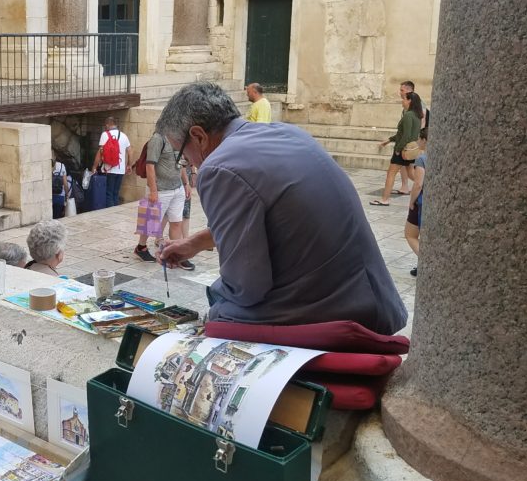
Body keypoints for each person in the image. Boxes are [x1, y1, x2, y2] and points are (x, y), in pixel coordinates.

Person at [156, 82, 407, 334]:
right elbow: (276, 220)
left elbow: (246, 287)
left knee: (218, 310)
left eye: (183, 156)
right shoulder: (289, 133)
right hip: (376, 298)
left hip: (338, 313)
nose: (188, 164)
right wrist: (195, 243)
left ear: (199, 136)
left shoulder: (219, 167)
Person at [134, 132, 195, 270]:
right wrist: (154, 191)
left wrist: (186, 183)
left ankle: (175, 254)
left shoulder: (179, 137)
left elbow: (180, 163)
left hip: (177, 188)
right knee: (150, 223)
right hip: (161, 190)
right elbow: (150, 166)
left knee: (176, 223)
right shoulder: (158, 139)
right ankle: (141, 247)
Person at [371, 91, 424, 206]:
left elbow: (406, 135)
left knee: (391, 173)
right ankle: (426, 186)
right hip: (411, 150)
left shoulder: (408, 115)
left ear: (409, 101)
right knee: (410, 173)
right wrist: (389, 140)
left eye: (404, 98)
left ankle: (385, 199)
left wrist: (398, 149)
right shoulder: (417, 116)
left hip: (403, 149)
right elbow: (405, 134)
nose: (402, 100)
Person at [91, 116, 132, 207]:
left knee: (108, 193)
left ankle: (111, 215)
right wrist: (129, 165)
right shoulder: (124, 136)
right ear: (116, 125)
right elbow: (130, 152)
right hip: (121, 170)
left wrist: (94, 166)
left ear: (107, 125)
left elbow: (100, 153)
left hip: (109, 169)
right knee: (115, 193)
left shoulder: (105, 135)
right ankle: (115, 213)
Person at [396, 82, 428, 193]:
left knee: (409, 167)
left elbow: (420, 125)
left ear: (410, 91)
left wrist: (405, 142)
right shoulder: (408, 105)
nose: (400, 93)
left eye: (402, 90)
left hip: (413, 141)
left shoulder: (418, 105)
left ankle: (422, 185)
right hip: (410, 140)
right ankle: (406, 186)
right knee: (406, 166)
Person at [404, 130, 428, 277]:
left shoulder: (422, 159)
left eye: (419, 138)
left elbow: (418, 184)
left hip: (421, 202)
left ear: (425, 140)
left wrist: (411, 202)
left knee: (410, 234)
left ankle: (426, 262)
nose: (418, 141)